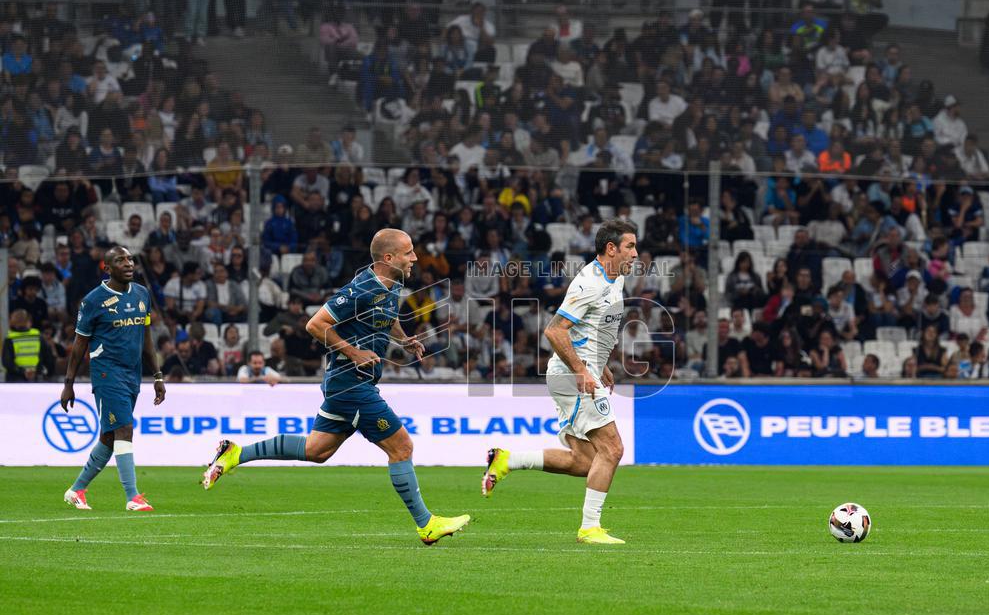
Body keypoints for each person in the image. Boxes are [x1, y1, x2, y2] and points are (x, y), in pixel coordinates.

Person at [202, 228, 470, 545]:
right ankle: (426, 524)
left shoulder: (392, 284)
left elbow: (387, 317)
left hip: (350, 385)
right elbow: (315, 324)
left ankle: (234, 454)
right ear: (388, 258)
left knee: (317, 450)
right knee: (402, 449)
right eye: (408, 252)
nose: (415, 257)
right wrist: (353, 352)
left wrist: (404, 339)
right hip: (351, 385)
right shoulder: (360, 289)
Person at [482, 219, 638, 545]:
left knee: (585, 461)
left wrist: (601, 363)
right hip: (573, 376)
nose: (636, 254)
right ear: (611, 249)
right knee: (612, 448)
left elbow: (595, 328)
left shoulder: (615, 278)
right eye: (630, 246)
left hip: (579, 371)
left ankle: (509, 459)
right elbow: (554, 330)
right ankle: (589, 528)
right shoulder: (590, 284)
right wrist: (583, 369)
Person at [61, 246, 166, 512]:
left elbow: (147, 338)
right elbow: (78, 345)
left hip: (132, 374)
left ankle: (76, 490)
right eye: (121, 260)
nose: (129, 263)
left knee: (109, 437)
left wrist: (157, 375)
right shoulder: (93, 301)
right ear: (107, 268)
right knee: (124, 429)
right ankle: (133, 496)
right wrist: (68, 384)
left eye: (130, 259)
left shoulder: (142, 294)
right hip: (107, 373)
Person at [2, 309, 55, 382]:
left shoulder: (10, 338)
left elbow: (7, 362)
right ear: (28, 321)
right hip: (36, 377)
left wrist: (23, 371)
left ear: (12, 322)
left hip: (15, 378)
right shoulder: (38, 336)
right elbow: (48, 358)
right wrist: (40, 371)